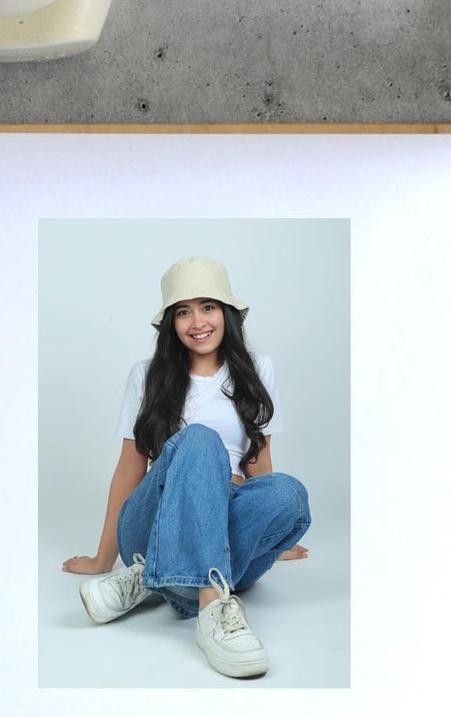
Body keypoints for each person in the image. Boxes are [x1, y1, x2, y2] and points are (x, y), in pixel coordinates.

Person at [62, 256, 312, 679]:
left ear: (226, 314)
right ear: (171, 324)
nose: (197, 321)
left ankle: (155, 577)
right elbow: (129, 469)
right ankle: (211, 610)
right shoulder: (146, 376)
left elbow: (258, 460)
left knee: (290, 496)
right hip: (152, 523)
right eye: (183, 311)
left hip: (224, 531)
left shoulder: (257, 370)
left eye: (208, 307)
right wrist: (104, 557)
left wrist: (271, 532)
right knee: (200, 439)